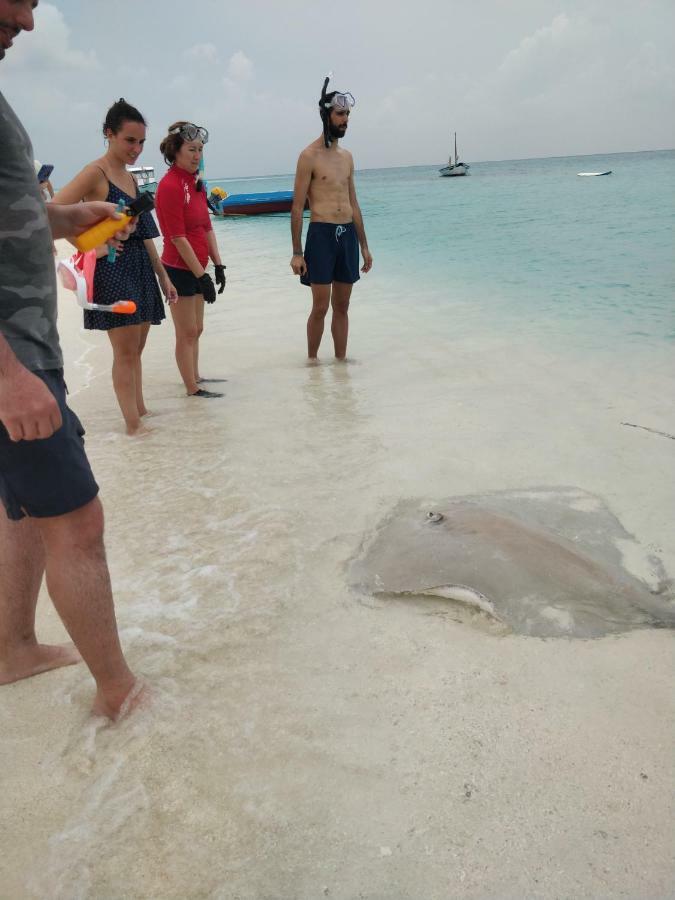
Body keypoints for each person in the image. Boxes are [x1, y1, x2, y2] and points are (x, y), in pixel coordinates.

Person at [0, 0, 142, 720]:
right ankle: (120, 694)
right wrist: (6, 376)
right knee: (76, 524)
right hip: (10, 354)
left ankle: (13, 648)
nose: (27, 21)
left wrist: (58, 219)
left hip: (21, 347)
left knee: (23, 512)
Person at [53, 99, 177, 436]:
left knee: (136, 349)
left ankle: (141, 411)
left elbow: (144, 233)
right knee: (124, 352)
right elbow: (53, 212)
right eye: (129, 141)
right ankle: (133, 428)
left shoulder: (128, 175)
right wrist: (94, 242)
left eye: (141, 143)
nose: (136, 149)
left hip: (139, 267)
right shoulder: (95, 172)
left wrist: (162, 274)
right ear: (109, 134)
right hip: (111, 269)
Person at [290, 76, 373, 362]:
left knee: (343, 306)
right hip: (321, 235)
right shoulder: (308, 156)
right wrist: (297, 252)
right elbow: (298, 207)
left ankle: (341, 365)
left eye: (348, 114)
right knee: (320, 307)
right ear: (326, 114)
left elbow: (354, 202)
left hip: (347, 235)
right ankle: (312, 362)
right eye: (340, 114)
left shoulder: (347, 157)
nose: (345, 119)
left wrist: (364, 245)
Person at [154, 122, 226, 398]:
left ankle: (196, 376)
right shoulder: (170, 186)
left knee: (198, 328)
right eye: (191, 150)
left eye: (200, 150)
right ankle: (192, 389)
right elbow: (176, 237)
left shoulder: (196, 183)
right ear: (176, 151)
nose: (197, 155)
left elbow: (206, 226)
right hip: (179, 269)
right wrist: (201, 276)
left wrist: (217, 264)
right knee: (186, 332)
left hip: (199, 267)